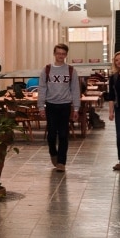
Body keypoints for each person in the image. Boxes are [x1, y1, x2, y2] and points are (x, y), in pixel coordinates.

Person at [37, 43, 80, 171]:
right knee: (51, 135)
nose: (60, 55)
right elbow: (42, 88)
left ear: (66, 55)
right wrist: (41, 106)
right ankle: (53, 153)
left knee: (63, 134)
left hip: (65, 106)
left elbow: (75, 89)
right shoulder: (47, 69)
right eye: (58, 53)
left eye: (63, 53)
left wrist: (76, 108)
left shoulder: (71, 70)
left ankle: (61, 162)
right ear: (54, 54)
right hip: (51, 105)